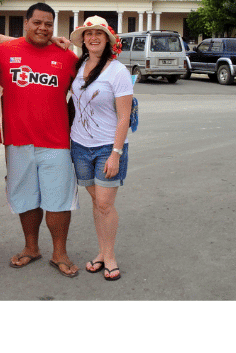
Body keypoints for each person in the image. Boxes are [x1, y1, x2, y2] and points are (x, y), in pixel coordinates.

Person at [0, 3, 80, 277]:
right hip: (17, 141)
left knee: (59, 200)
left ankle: (60, 253)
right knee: (25, 198)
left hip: (56, 142)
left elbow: (84, 93)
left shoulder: (67, 57)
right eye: (37, 22)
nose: (43, 28)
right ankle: (31, 248)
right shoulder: (5, 52)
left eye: (48, 24)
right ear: (25, 22)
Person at [68, 16, 133, 281]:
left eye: (99, 33)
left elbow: (124, 117)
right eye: (88, 33)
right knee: (97, 202)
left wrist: (116, 153)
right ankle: (102, 251)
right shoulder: (79, 64)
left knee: (105, 204)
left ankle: (110, 256)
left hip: (108, 147)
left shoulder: (117, 71)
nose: (93, 37)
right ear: (83, 40)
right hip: (80, 145)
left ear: (107, 40)